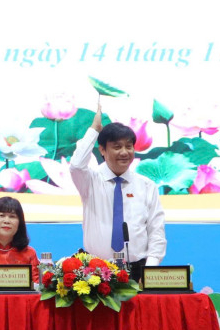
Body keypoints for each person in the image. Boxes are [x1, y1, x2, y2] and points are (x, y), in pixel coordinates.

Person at [69, 97, 166, 280]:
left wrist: (150, 270)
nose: (124, 152)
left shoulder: (147, 186)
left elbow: (156, 231)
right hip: (96, 271)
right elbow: (76, 165)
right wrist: (94, 130)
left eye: (129, 146)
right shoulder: (90, 180)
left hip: (137, 270)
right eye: (117, 147)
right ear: (102, 150)